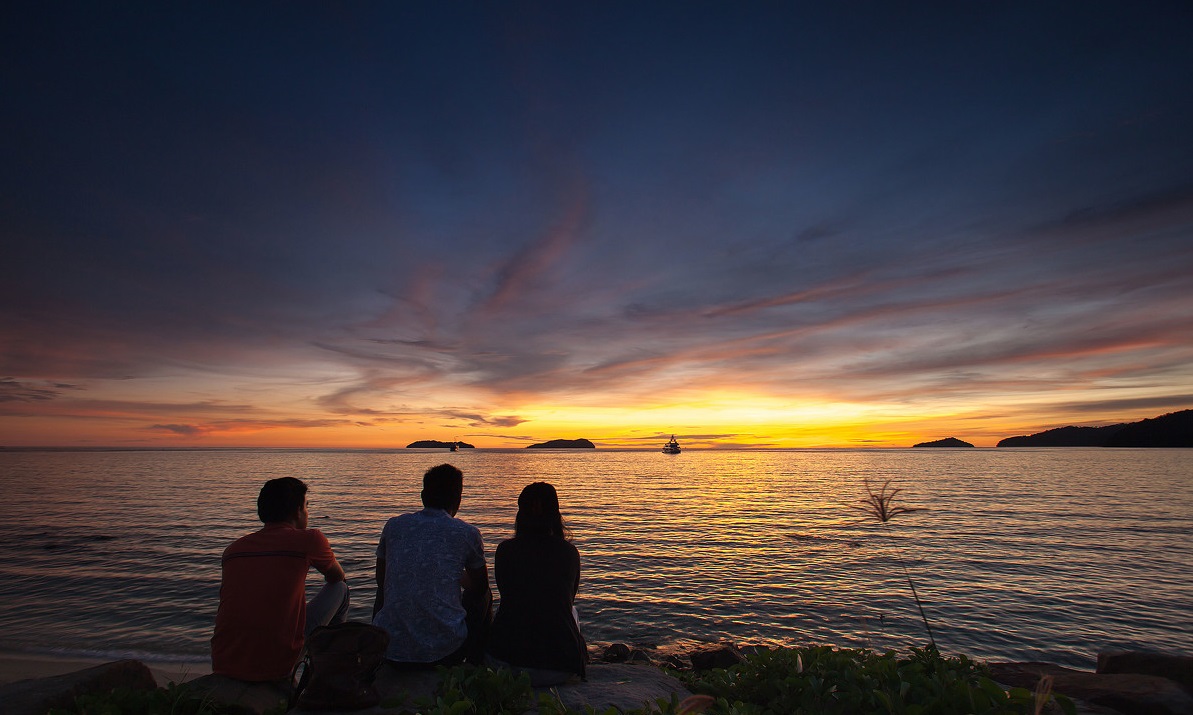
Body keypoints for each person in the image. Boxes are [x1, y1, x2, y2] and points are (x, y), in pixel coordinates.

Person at [211, 477, 349, 681]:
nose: (307, 513)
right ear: (296, 511)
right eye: (306, 507)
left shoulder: (233, 550)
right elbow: (337, 576)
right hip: (277, 663)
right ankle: (326, 668)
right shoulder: (310, 539)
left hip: (223, 661)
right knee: (341, 589)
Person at [372, 463, 491, 666]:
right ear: (458, 498)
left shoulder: (394, 525)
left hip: (389, 650)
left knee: (385, 588)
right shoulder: (467, 533)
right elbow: (480, 587)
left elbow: (380, 578)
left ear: (423, 496)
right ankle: (477, 663)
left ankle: (380, 636)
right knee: (485, 595)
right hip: (445, 652)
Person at [486, 482, 587, 685]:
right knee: (571, 610)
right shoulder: (568, 553)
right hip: (560, 667)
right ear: (555, 515)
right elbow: (568, 598)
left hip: (505, 664)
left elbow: (506, 592)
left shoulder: (505, 550)